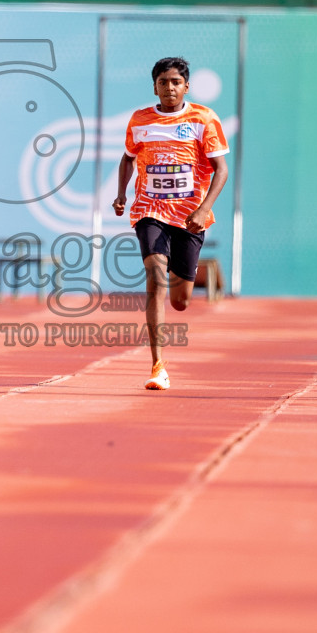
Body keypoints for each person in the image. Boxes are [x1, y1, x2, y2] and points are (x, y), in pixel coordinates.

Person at [111, 57, 230, 391]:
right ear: (155, 87)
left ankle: (192, 279)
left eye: (176, 82)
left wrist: (204, 209)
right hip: (150, 210)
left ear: (186, 86)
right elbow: (128, 157)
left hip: (190, 216)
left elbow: (221, 169)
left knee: (180, 301)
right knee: (154, 278)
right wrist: (121, 194)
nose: (169, 88)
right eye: (163, 82)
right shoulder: (140, 120)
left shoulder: (204, 118)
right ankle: (157, 365)